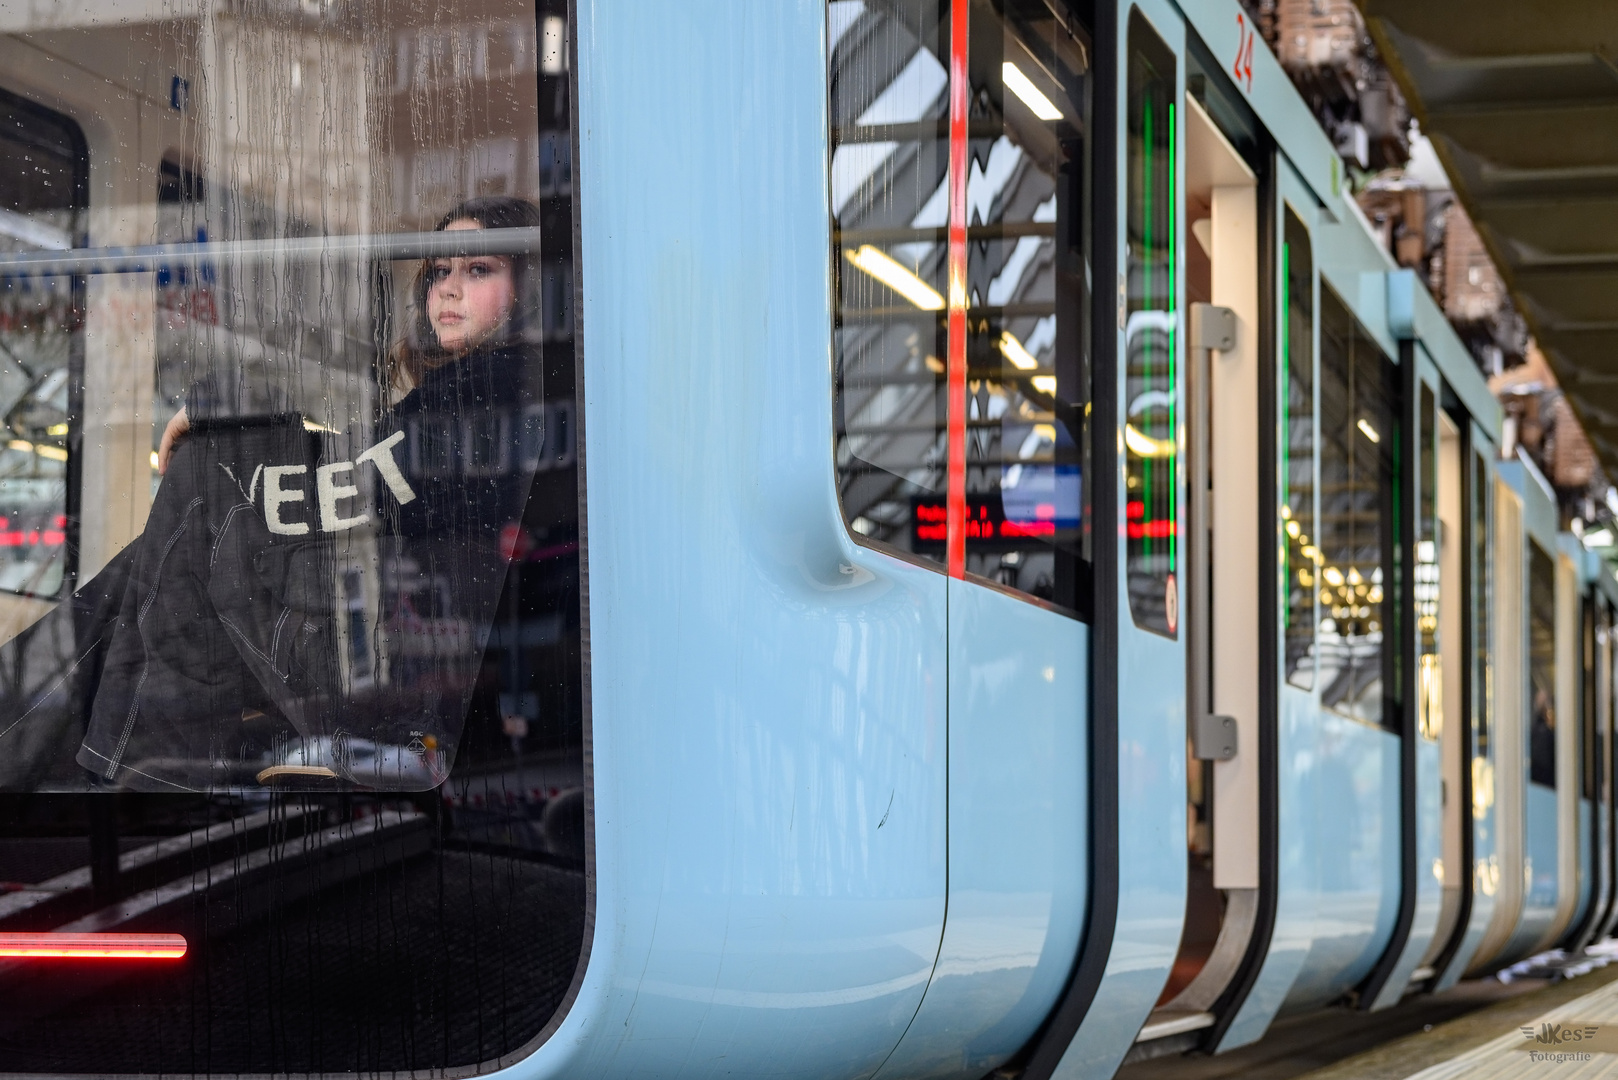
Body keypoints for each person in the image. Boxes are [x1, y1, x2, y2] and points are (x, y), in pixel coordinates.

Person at [0, 196, 544, 792]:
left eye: (479, 270)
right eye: (441, 271)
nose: (449, 289)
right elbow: (371, 468)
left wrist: (221, 415)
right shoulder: (457, 394)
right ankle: (103, 771)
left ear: (527, 288)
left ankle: (132, 783)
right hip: (374, 631)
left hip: (392, 651)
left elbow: (362, 482)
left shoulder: (501, 386)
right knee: (159, 553)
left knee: (204, 485)